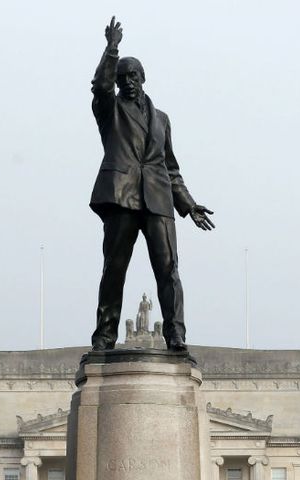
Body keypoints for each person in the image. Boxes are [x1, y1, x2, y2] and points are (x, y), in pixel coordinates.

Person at [89, 17, 214, 353]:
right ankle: (104, 337)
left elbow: (170, 167)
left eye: (133, 75)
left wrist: (188, 205)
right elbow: (99, 86)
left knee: (169, 270)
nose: (127, 82)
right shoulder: (109, 109)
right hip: (122, 196)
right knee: (114, 269)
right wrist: (111, 50)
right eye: (121, 78)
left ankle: (175, 335)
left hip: (158, 200)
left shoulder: (161, 119)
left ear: (143, 78)